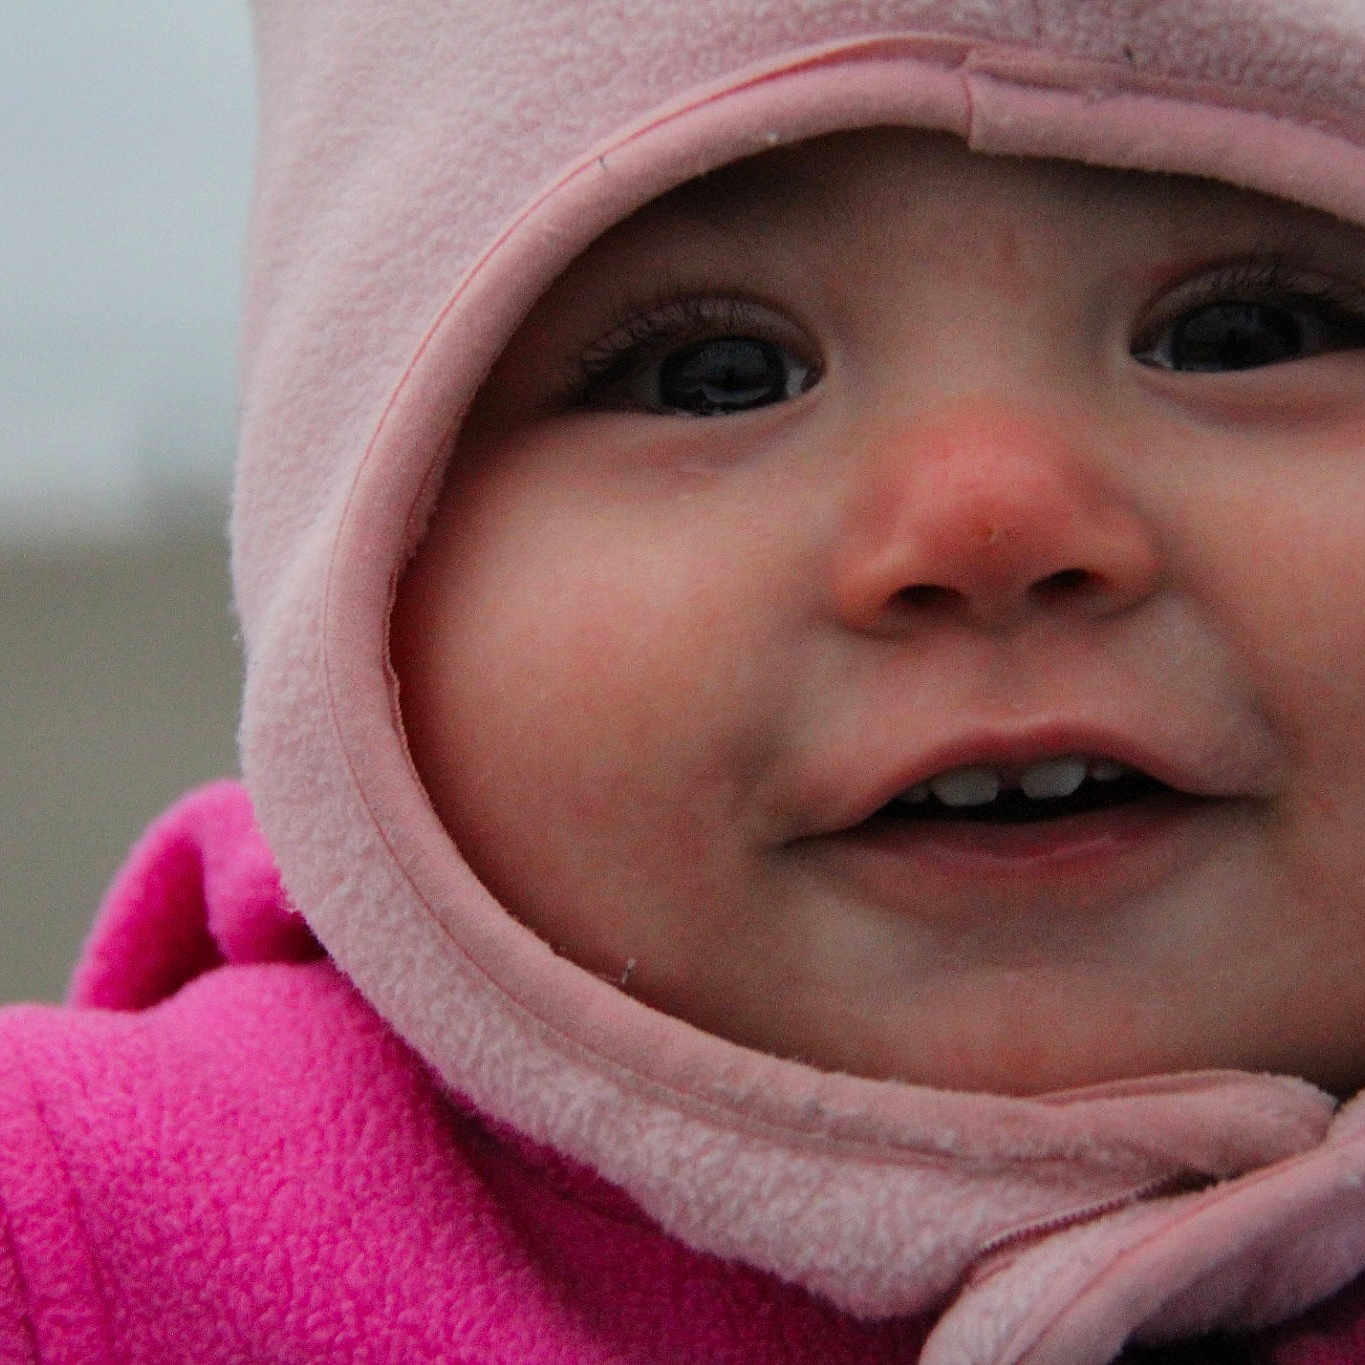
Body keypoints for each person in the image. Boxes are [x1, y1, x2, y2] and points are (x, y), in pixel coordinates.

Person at [5, 0, 1365, 1360]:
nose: (990, 523)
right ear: (366, 551)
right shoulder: (83, 1234)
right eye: (719, 375)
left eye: (1243, 336)